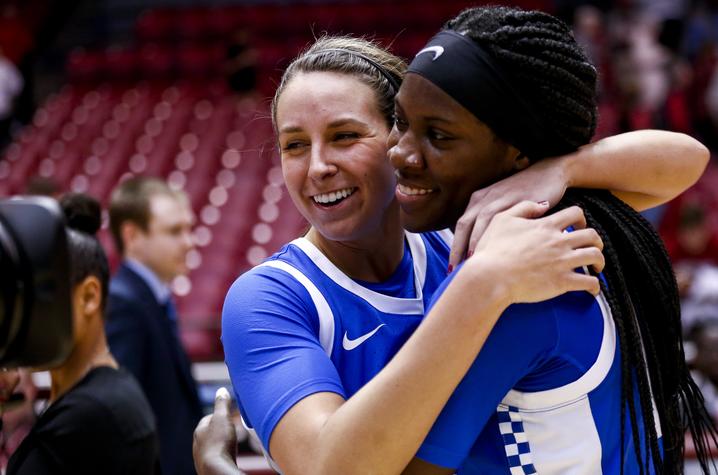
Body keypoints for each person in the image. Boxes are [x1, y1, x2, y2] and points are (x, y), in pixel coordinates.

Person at [213, 34, 711, 475]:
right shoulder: (269, 299)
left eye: (344, 136)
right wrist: (481, 286)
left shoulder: (461, 227)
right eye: (294, 145)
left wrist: (563, 170)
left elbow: (685, 161)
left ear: (399, 137)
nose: (318, 166)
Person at [387, 6, 717, 474]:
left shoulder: (520, 285)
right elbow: (686, 156)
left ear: (518, 154)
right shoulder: (571, 222)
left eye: (438, 135)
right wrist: (561, 167)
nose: (400, 151)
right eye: (400, 121)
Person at [6, 193, 160, 475]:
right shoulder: (88, 398)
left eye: (39, 297)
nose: (24, 314)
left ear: (89, 296)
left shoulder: (94, 414)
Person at [107, 176, 201, 475]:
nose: (189, 242)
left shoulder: (150, 297)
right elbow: (122, 422)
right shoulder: (123, 304)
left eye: (189, 230)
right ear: (132, 235)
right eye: (175, 231)